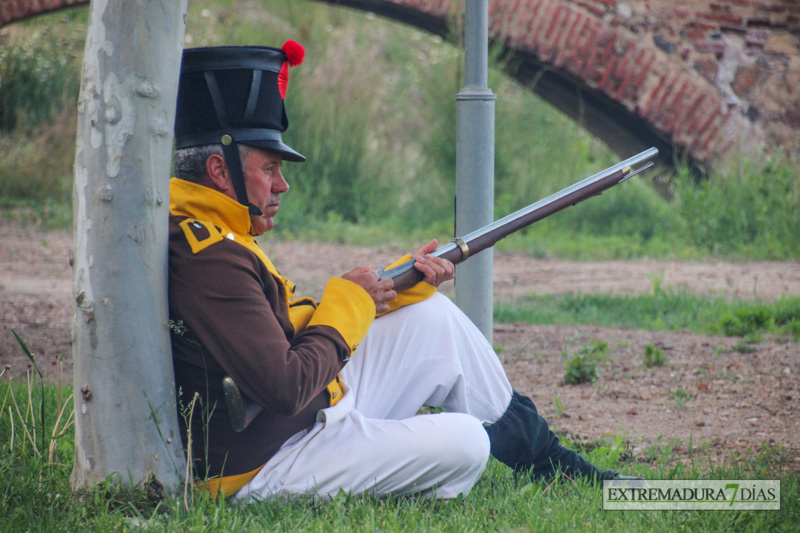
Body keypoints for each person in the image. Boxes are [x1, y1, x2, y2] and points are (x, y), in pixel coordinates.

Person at [168, 41, 628, 502]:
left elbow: (277, 333)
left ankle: (551, 464)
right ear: (219, 171)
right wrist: (350, 301)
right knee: (467, 441)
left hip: (295, 420)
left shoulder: (214, 235)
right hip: (262, 463)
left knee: (432, 320)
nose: (282, 184)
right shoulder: (210, 255)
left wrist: (389, 290)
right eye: (269, 168)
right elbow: (285, 386)